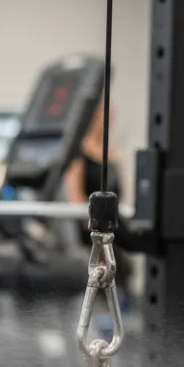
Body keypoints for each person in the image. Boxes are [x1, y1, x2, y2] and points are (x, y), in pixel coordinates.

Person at [62, 100, 134, 288]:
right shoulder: (78, 153)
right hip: (91, 229)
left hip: (114, 227)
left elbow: (122, 195)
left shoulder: (113, 154)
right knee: (103, 274)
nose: (106, 123)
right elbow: (75, 197)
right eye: (101, 118)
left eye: (109, 118)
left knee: (124, 269)